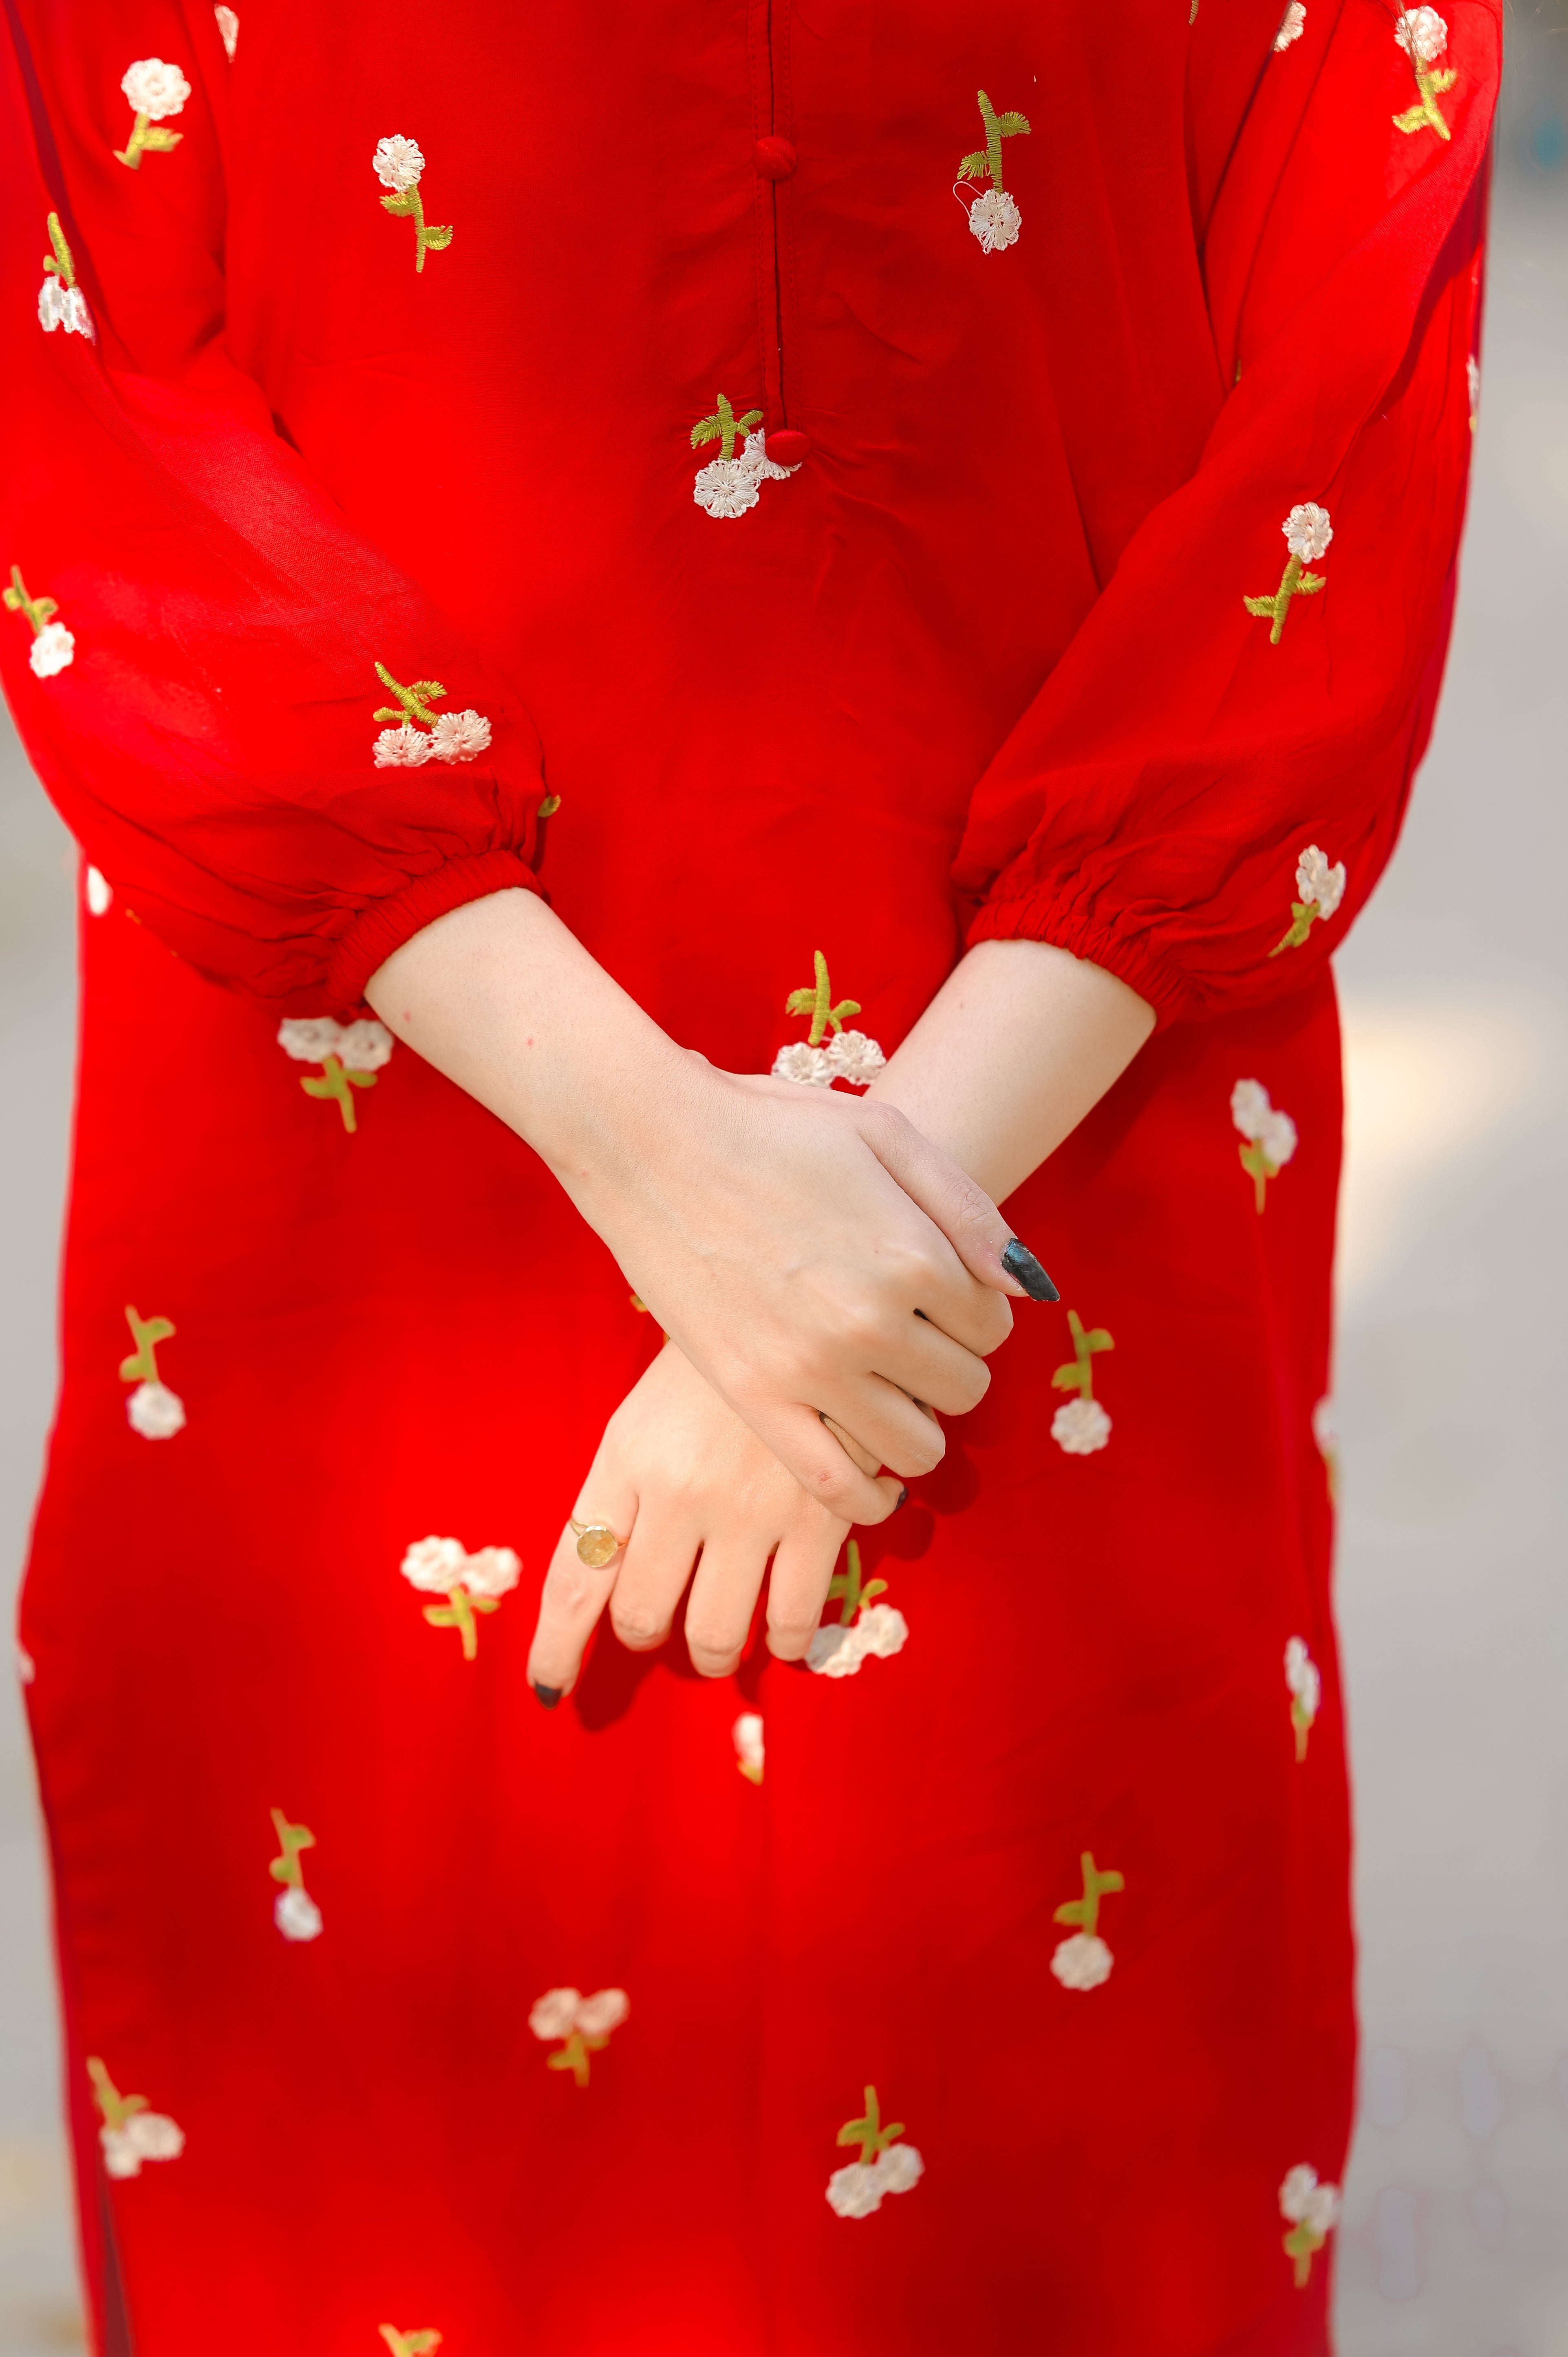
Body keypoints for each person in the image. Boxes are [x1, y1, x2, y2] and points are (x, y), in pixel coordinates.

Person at [0, 0, 1497, 2348]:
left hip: (1043, 1240)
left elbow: (1338, 439)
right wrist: (676, 1163)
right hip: (375, 1185)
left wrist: (852, 1211)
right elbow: (80, 402)